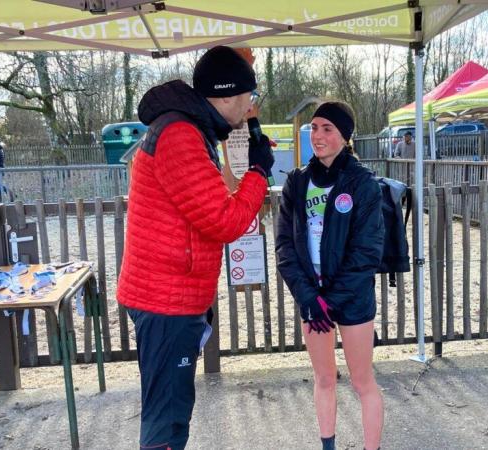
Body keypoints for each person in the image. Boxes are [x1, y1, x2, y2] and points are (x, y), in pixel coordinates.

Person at [116, 46, 274, 450]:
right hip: (166, 300)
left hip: (172, 295)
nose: (249, 106)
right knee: (167, 417)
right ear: (226, 95)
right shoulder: (180, 136)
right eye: (248, 96)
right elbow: (225, 221)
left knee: (171, 407)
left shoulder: (190, 131)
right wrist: (258, 171)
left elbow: (210, 205)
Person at [276, 101, 385, 450]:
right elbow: (284, 247)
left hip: (351, 297)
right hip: (312, 297)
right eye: (314, 127)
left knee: (362, 381)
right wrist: (309, 298)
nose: (317, 136)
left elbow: (366, 252)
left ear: (345, 136)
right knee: (324, 378)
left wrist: (330, 301)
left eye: (327, 129)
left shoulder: (362, 183)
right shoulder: (297, 182)